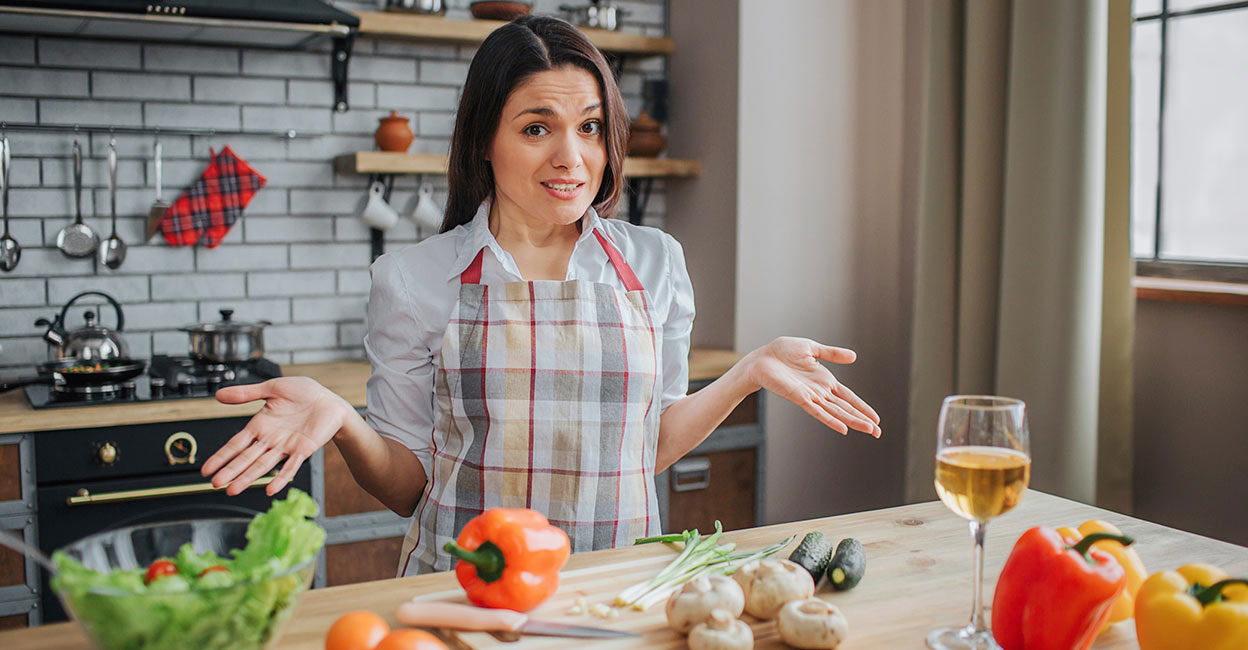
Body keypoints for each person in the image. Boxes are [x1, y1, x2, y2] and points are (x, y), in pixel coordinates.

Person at [202, 16, 881, 576]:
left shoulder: (654, 262)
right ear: (485, 143)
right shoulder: (410, 278)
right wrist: (341, 417)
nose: (571, 158)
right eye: (536, 128)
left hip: (618, 590)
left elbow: (646, 447)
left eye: (589, 127)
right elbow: (407, 488)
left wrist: (747, 372)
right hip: (469, 594)